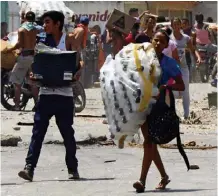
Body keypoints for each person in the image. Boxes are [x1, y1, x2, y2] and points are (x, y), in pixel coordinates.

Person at [18, 11, 79, 182]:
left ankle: (72, 169)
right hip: (45, 94)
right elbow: (36, 63)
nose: (44, 26)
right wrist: (33, 75)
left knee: (68, 134)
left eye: (47, 22)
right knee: (37, 133)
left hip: (64, 95)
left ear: (58, 23)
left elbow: (78, 61)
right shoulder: (42, 40)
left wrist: (77, 72)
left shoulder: (68, 40)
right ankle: (29, 167)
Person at [133, 29, 185, 193]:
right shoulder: (142, 59)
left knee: (149, 142)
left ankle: (142, 180)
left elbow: (181, 85)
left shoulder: (169, 63)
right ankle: (164, 176)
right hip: (142, 104)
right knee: (150, 142)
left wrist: (166, 86)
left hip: (158, 106)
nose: (157, 43)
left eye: (161, 42)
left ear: (165, 46)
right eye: (155, 40)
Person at [4, 11, 39, 111]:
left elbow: (19, 43)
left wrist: (9, 49)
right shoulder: (35, 29)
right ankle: (37, 104)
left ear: (24, 18)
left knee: (16, 83)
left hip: (24, 57)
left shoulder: (22, 29)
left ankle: (16, 106)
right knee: (32, 83)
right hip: (32, 57)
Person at [171, 17, 201, 119]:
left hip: (183, 67)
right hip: (172, 68)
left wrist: (198, 57)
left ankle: (186, 115)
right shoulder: (169, 38)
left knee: (185, 91)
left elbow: (193, 49)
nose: (175, 26)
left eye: (177, 24)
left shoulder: (186, 38)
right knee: (173, 92)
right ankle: (174, 115)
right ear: (172, 26)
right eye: (174, 25)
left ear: (180, 25)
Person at [181, 18, 197, 82]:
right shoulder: (179, 33)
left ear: (188, 24)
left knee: (190, 67)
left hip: (189, 53)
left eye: (185, 23)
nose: (183, 25)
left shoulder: (193, 34)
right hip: (181, 53)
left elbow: (194, 45)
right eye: (182, 23)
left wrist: (195, 55)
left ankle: (189, 81)